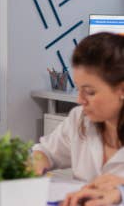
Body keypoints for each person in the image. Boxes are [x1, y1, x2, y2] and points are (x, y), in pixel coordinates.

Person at [30, 33, 124, 204]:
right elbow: (47, 151)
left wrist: (120, 194)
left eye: (89, 92)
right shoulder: (79, 118)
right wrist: (36, 162)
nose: (80, 100)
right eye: (78, 89)